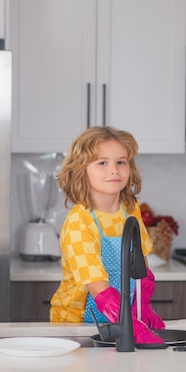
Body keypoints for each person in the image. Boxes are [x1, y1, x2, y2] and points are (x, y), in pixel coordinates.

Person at [49, 126, 165, 344]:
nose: (114, 170)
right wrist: (131, 327)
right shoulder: (80, 221)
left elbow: (142, 266)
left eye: (121, 162)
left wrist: (144, 305)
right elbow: (97, 287)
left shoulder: (130, 209)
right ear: (81, 170)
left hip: (124, 319)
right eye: (102, 163)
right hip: (76, 324)